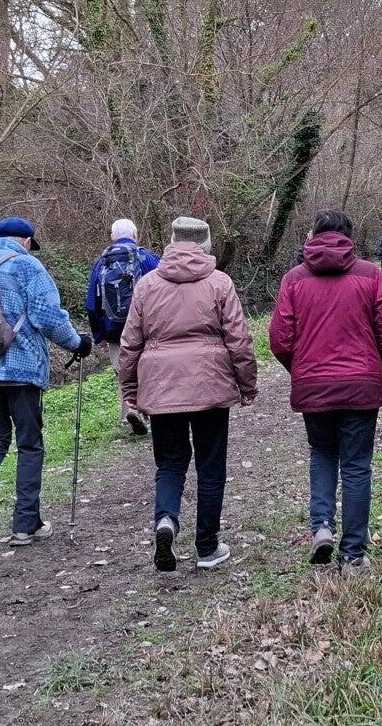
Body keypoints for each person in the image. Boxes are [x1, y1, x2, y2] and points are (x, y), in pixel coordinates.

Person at [0, 216, 91, 549]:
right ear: (26, 241)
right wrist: (77, 344)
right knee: (29, 444)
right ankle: (25, 526)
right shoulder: (27, 266)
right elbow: (49, 317)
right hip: (23, 371)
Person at [117, 216, 258, 572]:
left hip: (162, 388)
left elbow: (130, 344)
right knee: (211, 467)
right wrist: (247, 385)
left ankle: (166, 520)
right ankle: (207, 546)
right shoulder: (220, 282)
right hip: (211, 387)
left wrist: (131, 391)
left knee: (170, 463)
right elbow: (239, 340)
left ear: (172, 241)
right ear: (206, 244)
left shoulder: (148, 285)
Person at [269, 210, 382, 572]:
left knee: (323, 454)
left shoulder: (294, 279)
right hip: (361, 384)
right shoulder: (370, 274)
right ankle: (354, 554)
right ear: (348, 236)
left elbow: (280, 339)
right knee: (357, 466)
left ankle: (322, 527)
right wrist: (377, 368)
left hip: (313, 385)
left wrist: (303, 371)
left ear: (313, 235)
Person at [85, 218, 161, 435]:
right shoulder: (146, 259)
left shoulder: (102, 263)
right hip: (146, 326)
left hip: (113, 329)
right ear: (135, 235)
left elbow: (91, 304)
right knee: (149, 367)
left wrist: (99, 334)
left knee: (124, 371)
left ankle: (129, 413)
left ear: (112, 237)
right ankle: (152, 412)